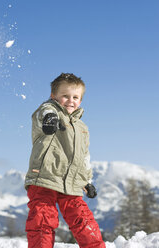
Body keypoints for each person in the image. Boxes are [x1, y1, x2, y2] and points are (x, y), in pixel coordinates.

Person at [25, 73, 106, 248]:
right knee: (42, 220)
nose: (70, 101)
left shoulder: (82, 128)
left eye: (75, 97)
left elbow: (84, 156)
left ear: (81, 100)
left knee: (83, 220)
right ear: (54, 96)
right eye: (65, 96)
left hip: (72, 183)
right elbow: (44, 111)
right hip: (45, 178)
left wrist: (88, 181)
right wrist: (49, 118)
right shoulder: (47, 114)